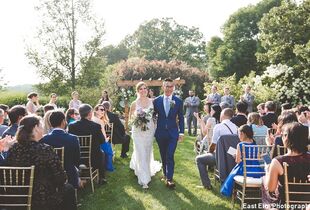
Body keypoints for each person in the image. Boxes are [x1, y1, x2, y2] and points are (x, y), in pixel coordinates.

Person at [5, 115, 76, 210]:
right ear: (35, 128)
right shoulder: (45, 149)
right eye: (41, 126)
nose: (43, 129)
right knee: (68, 189)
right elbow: (61, 178)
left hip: (16, 198)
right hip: (41, 199)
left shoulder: (13, 149)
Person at [265, 122, 310, 207]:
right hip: (307, 205)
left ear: (286, 137)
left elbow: (271, 188)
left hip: (285, 204)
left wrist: (268, 171)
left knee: (265, 188)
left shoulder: (278, 161)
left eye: (282, 135)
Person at [196, 108, 238, 190]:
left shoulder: (218, 127)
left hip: (221, 157)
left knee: (199, 159)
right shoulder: (236, 127)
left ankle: (207, 185)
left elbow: (213, 144)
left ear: (222, 115)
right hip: (233, 156)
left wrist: (209, 151)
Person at [129, 82, 161, 189]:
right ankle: (144, 179)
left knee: (147, 152)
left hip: (149, 131)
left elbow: (155, 117)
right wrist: (138, 120)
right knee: (140, 152)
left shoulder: (152, 102)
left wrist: (155, 127)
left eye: (145, 89)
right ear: (138, 91)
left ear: (147, 90)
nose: (143, 91)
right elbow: (130, 119)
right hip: (138, 131)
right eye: (141, 89)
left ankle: (143, 169)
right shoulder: (134, 103)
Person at [153, 78, 184, 189]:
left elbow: (181, 117)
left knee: (170, 154)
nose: (169, 88)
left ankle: (169, 179)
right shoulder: (156, 101)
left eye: (171, 86)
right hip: (160, 133)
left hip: (173, 133)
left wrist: (181, 133)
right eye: (167, 86)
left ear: (173, 87)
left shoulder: (178, 101)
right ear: (163, 87)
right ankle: (165, 174)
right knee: (163, 154)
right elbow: (152, 116)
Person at [221, 125, 264, 196]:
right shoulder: (255, 144)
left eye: (239, 134)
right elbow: (258, 157)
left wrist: (235, 156)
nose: (238, 136)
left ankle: (235, 192)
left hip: (244, 170)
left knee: (232, 174)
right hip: (256, 170)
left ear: (243, 134)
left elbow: (238, 161)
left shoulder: (240, 145)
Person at [68, 104, 107, 184]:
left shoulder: (72, 126)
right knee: (102, 153)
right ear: (90, 114)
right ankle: (102, 178)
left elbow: (70, 140)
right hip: (93, 158)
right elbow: (102, 141)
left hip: (76, 157)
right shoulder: (96, 126)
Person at [41, 111, 81, 189]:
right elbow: (77, 159)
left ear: (50, 123)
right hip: (69, 172)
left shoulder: (44, 139)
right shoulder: (73, 138)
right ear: (63, 121)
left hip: (49, 173)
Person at [92, 104, 114, 172]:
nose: (103, 111)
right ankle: (108, 168)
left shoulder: (92, 119)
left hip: (93, 141)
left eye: (104, 110)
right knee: (109, 151)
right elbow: (103, 133)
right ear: (96, 110)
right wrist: (106, 140)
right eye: (101, 109)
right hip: (99, 142)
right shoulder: (100, 121)